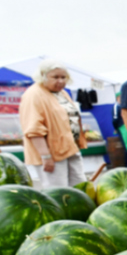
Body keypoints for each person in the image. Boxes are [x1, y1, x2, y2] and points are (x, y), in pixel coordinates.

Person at [18, 59, 88, 188]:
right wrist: (46, 156)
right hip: (51, 154)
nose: (61, 81)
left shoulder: (62, 93)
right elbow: (33, 129)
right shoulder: (33, 95)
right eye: (55, 77)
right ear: (43, 75)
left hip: (70, 148)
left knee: (81, 187)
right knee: (58, 192)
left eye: (63, 77)